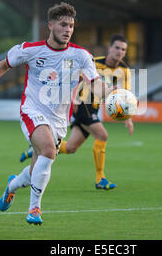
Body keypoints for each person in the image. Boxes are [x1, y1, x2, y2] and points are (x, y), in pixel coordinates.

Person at [0, 2, 113, 225]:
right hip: (32, 110)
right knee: (47, 150)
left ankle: (12, 186)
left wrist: (111, 92)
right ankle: (34, 209)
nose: (68, 29)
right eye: (63, 25)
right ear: (50, 25)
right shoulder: (31, 50)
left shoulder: (81, 55)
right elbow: (3, 65)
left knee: (38, 168)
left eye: (71, 25)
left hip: (59, 120)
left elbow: (94, 84)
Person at [20, 34, 134, 190]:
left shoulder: (124, 70)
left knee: (71, 147)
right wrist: (73, 99)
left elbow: (124, 95)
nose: (120, 52)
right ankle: (100, 179)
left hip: (94, 108)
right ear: (110, 48)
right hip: (81, 104)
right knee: (102, 135)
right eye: (117, 48)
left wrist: (127, 118)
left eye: (123, 49)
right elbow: (75, 77)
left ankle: (36, 149)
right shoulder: (93, 61)